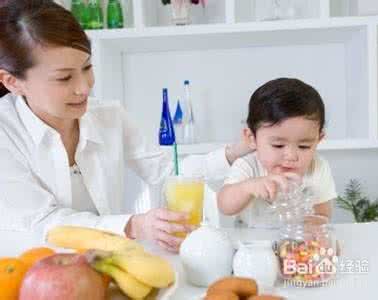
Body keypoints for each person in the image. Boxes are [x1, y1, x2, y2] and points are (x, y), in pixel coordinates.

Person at [0, 0, 250, 252]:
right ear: (12, 81)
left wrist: (236, 151)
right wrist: (132, 226)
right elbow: (43, 223)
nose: (84, 87)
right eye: (64, 78)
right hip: (26, 274)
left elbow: (167, 171)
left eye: (87, 67)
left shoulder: (108, 116)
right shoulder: (4, 132)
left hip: (108, 265)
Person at [217, 78, 337, 228]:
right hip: (250, 246)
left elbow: (323, 215)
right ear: (251, 138)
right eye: (278, 145)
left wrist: (306, 228)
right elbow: (224, 205)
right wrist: (248, 187)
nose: (291, 156)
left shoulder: (318, 167)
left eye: (304, 146)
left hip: (294, 244)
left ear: (319, 139)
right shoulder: (248, 166)